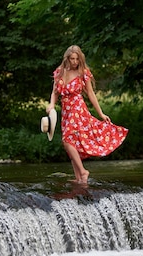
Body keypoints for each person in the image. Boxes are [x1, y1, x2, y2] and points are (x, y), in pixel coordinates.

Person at [46, 45, 128, 184]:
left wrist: (100, 113)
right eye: (72, 59)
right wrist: (51, 105)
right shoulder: (59, 72)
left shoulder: (83, 72)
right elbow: (54, 93)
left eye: (77, 59)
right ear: (67, 58)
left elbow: (90, 93)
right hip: (66, 110)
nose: (74, 62)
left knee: (67, 141)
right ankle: (79, 178)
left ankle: (83, 171)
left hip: (78, 109)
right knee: (73, 143)